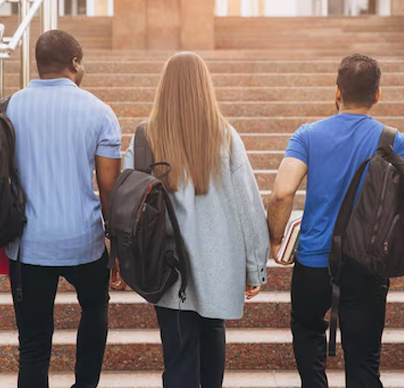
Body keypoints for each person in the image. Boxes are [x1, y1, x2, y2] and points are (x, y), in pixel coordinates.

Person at [266, 54, 404, 388]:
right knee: (364, 361)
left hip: (314, 261)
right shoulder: (394, 142)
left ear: (337, 92)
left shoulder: (307, 135)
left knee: (307, 334)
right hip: (368, 262)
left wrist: (276, 241)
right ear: (377, 95)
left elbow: (281, 193)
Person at [122, 51, 269, 388]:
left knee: (178, 355)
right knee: (212, 342)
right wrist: (254, 267)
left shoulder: (145, 138)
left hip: (165, 267)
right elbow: (249, 206)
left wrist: (120, 260)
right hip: (218, 267)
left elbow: (126, 206)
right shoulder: (225, 136)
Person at [4, 30, 122, 388]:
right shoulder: (99, 111)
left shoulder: (8, 107)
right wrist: (115, 248)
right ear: (74, 63)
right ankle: (85, 384)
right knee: (95, 309)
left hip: (28, 244)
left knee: (34, 343)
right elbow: (109, 191)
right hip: (82, 240)